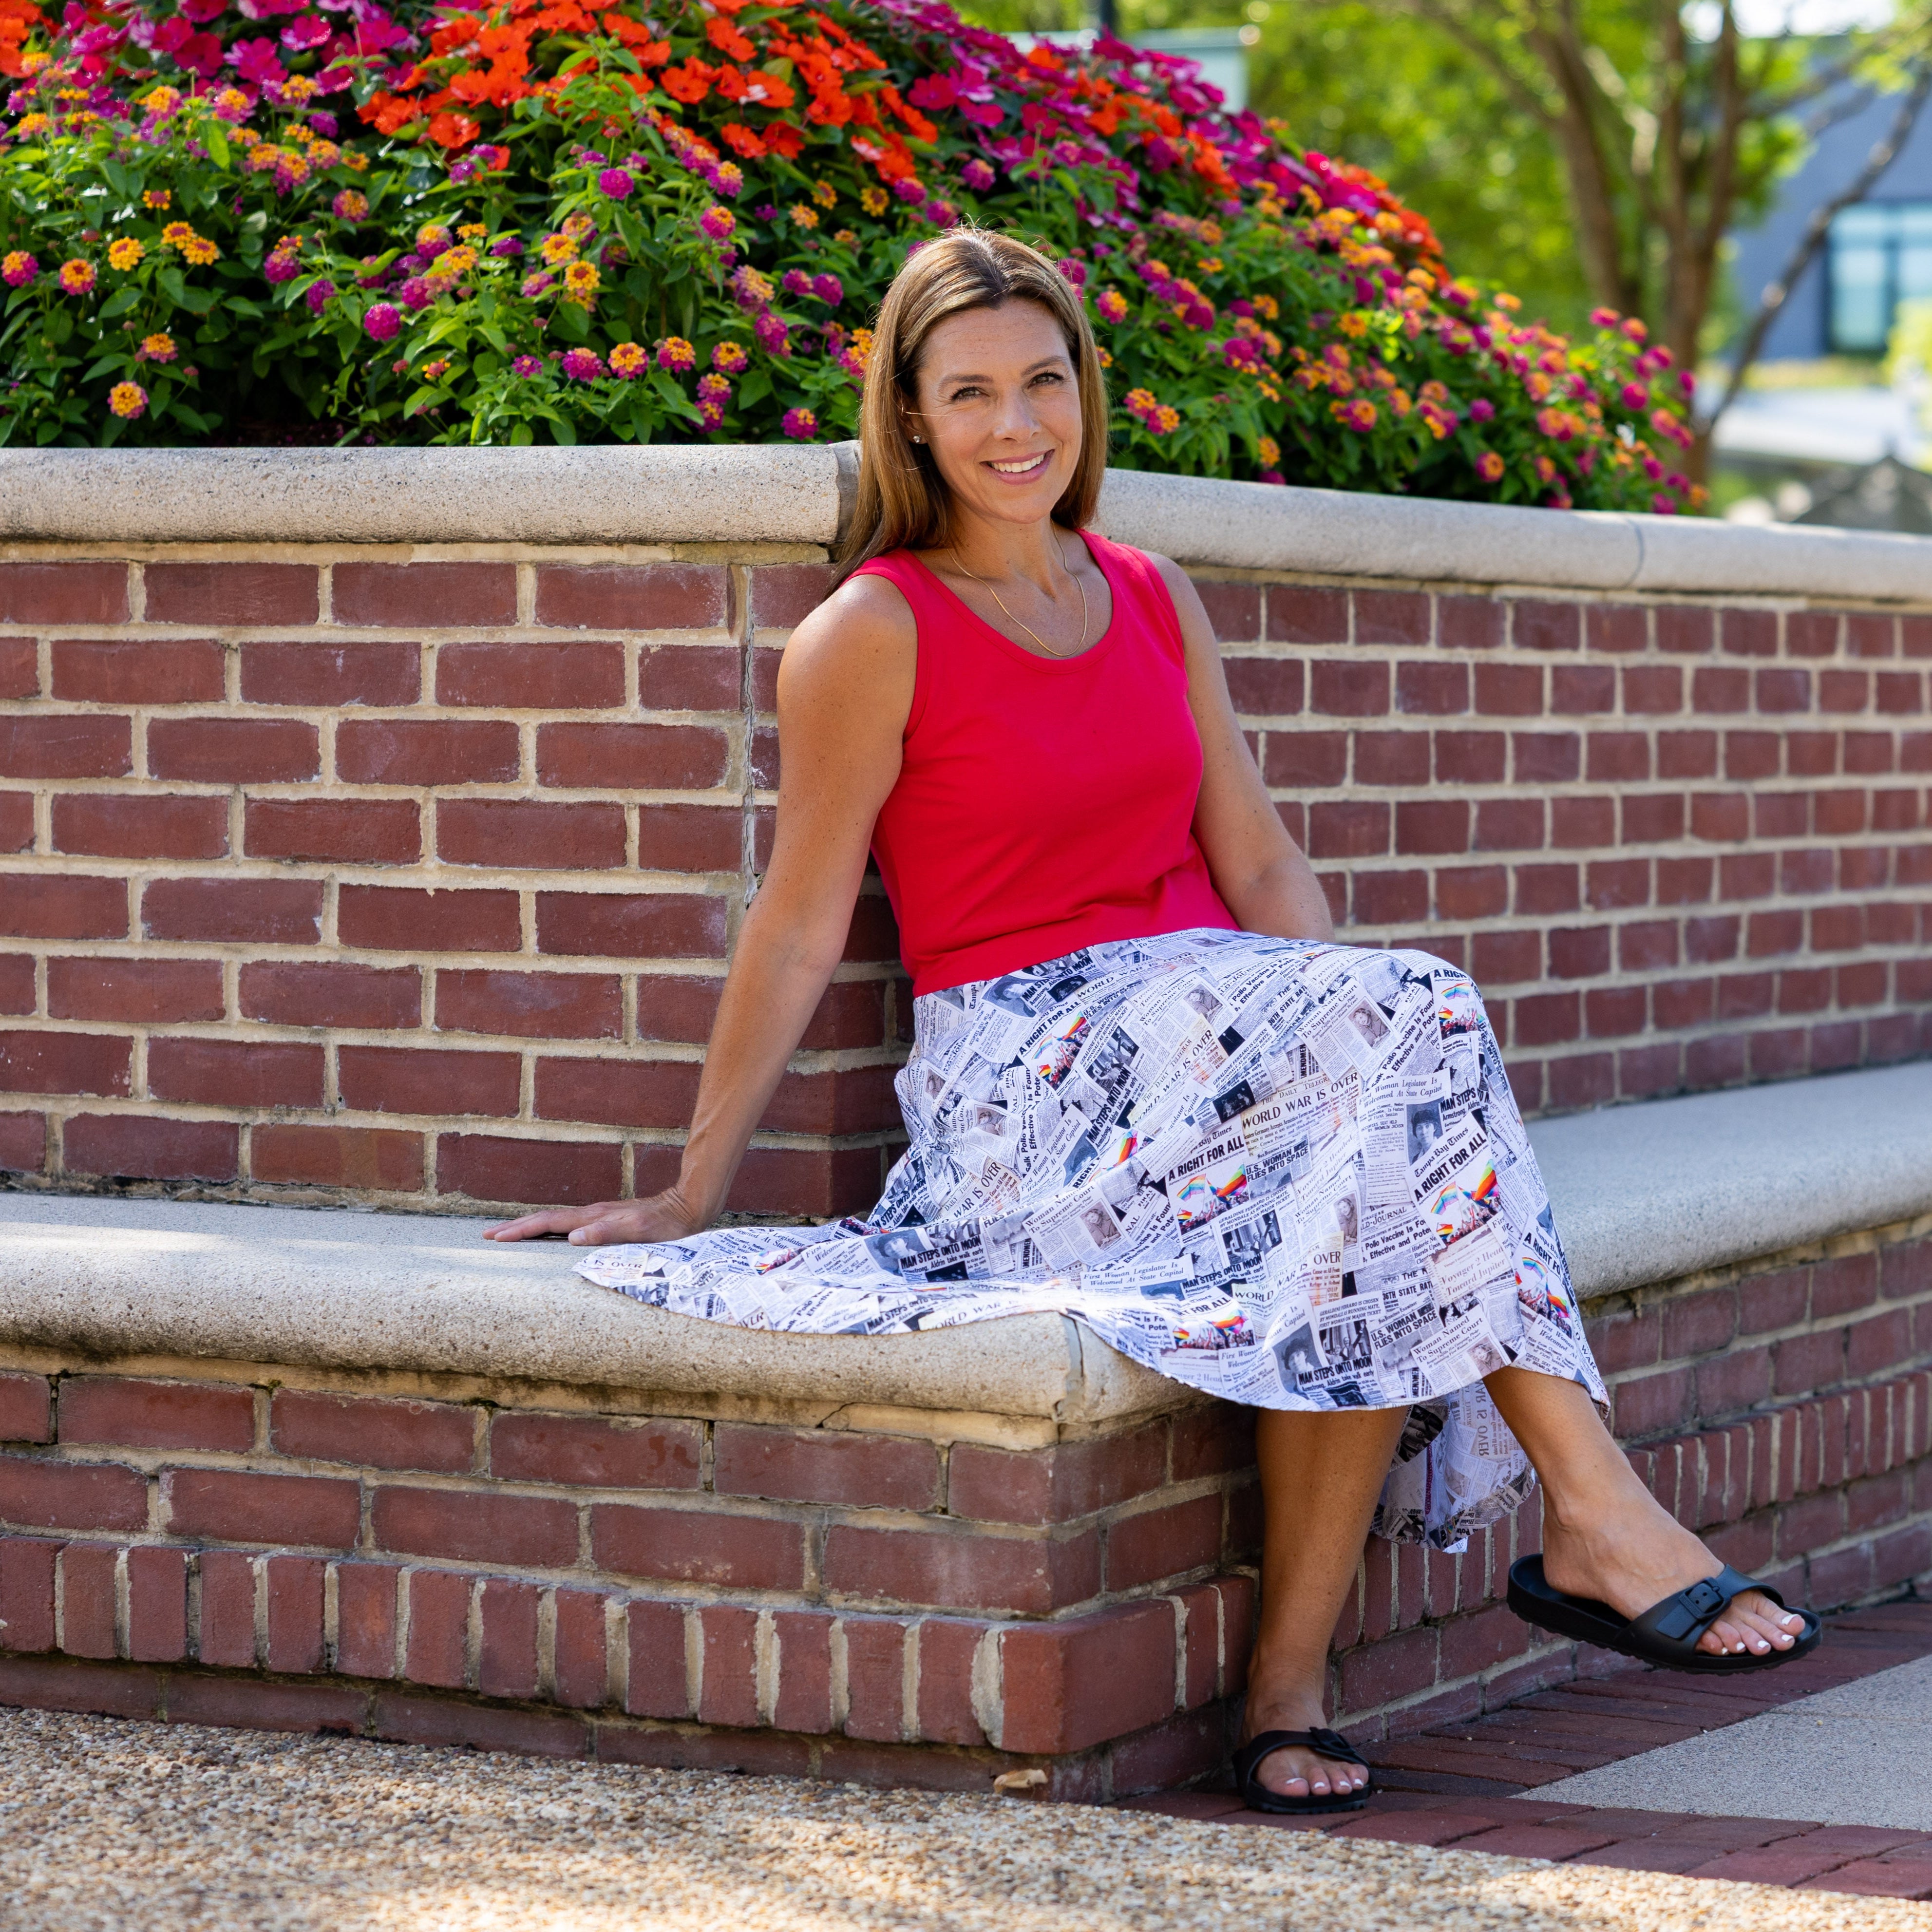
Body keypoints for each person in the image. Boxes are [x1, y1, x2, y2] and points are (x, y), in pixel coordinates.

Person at [487, 228, 1817, 1812]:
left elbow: (1254, 854)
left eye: (1042, 380)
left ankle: (1293, 1689)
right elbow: (797, 922)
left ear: (1085, 391)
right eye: (967, 392)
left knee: (1369, 1160)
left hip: (1210, 1039)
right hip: (1030, 1081)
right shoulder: (873, 630)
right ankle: (1587, 1510)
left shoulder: (1148, 594)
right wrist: (692, 1189)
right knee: (1390, 1071)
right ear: (908, 419)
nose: (1013, 423)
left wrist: (1337, 1029)